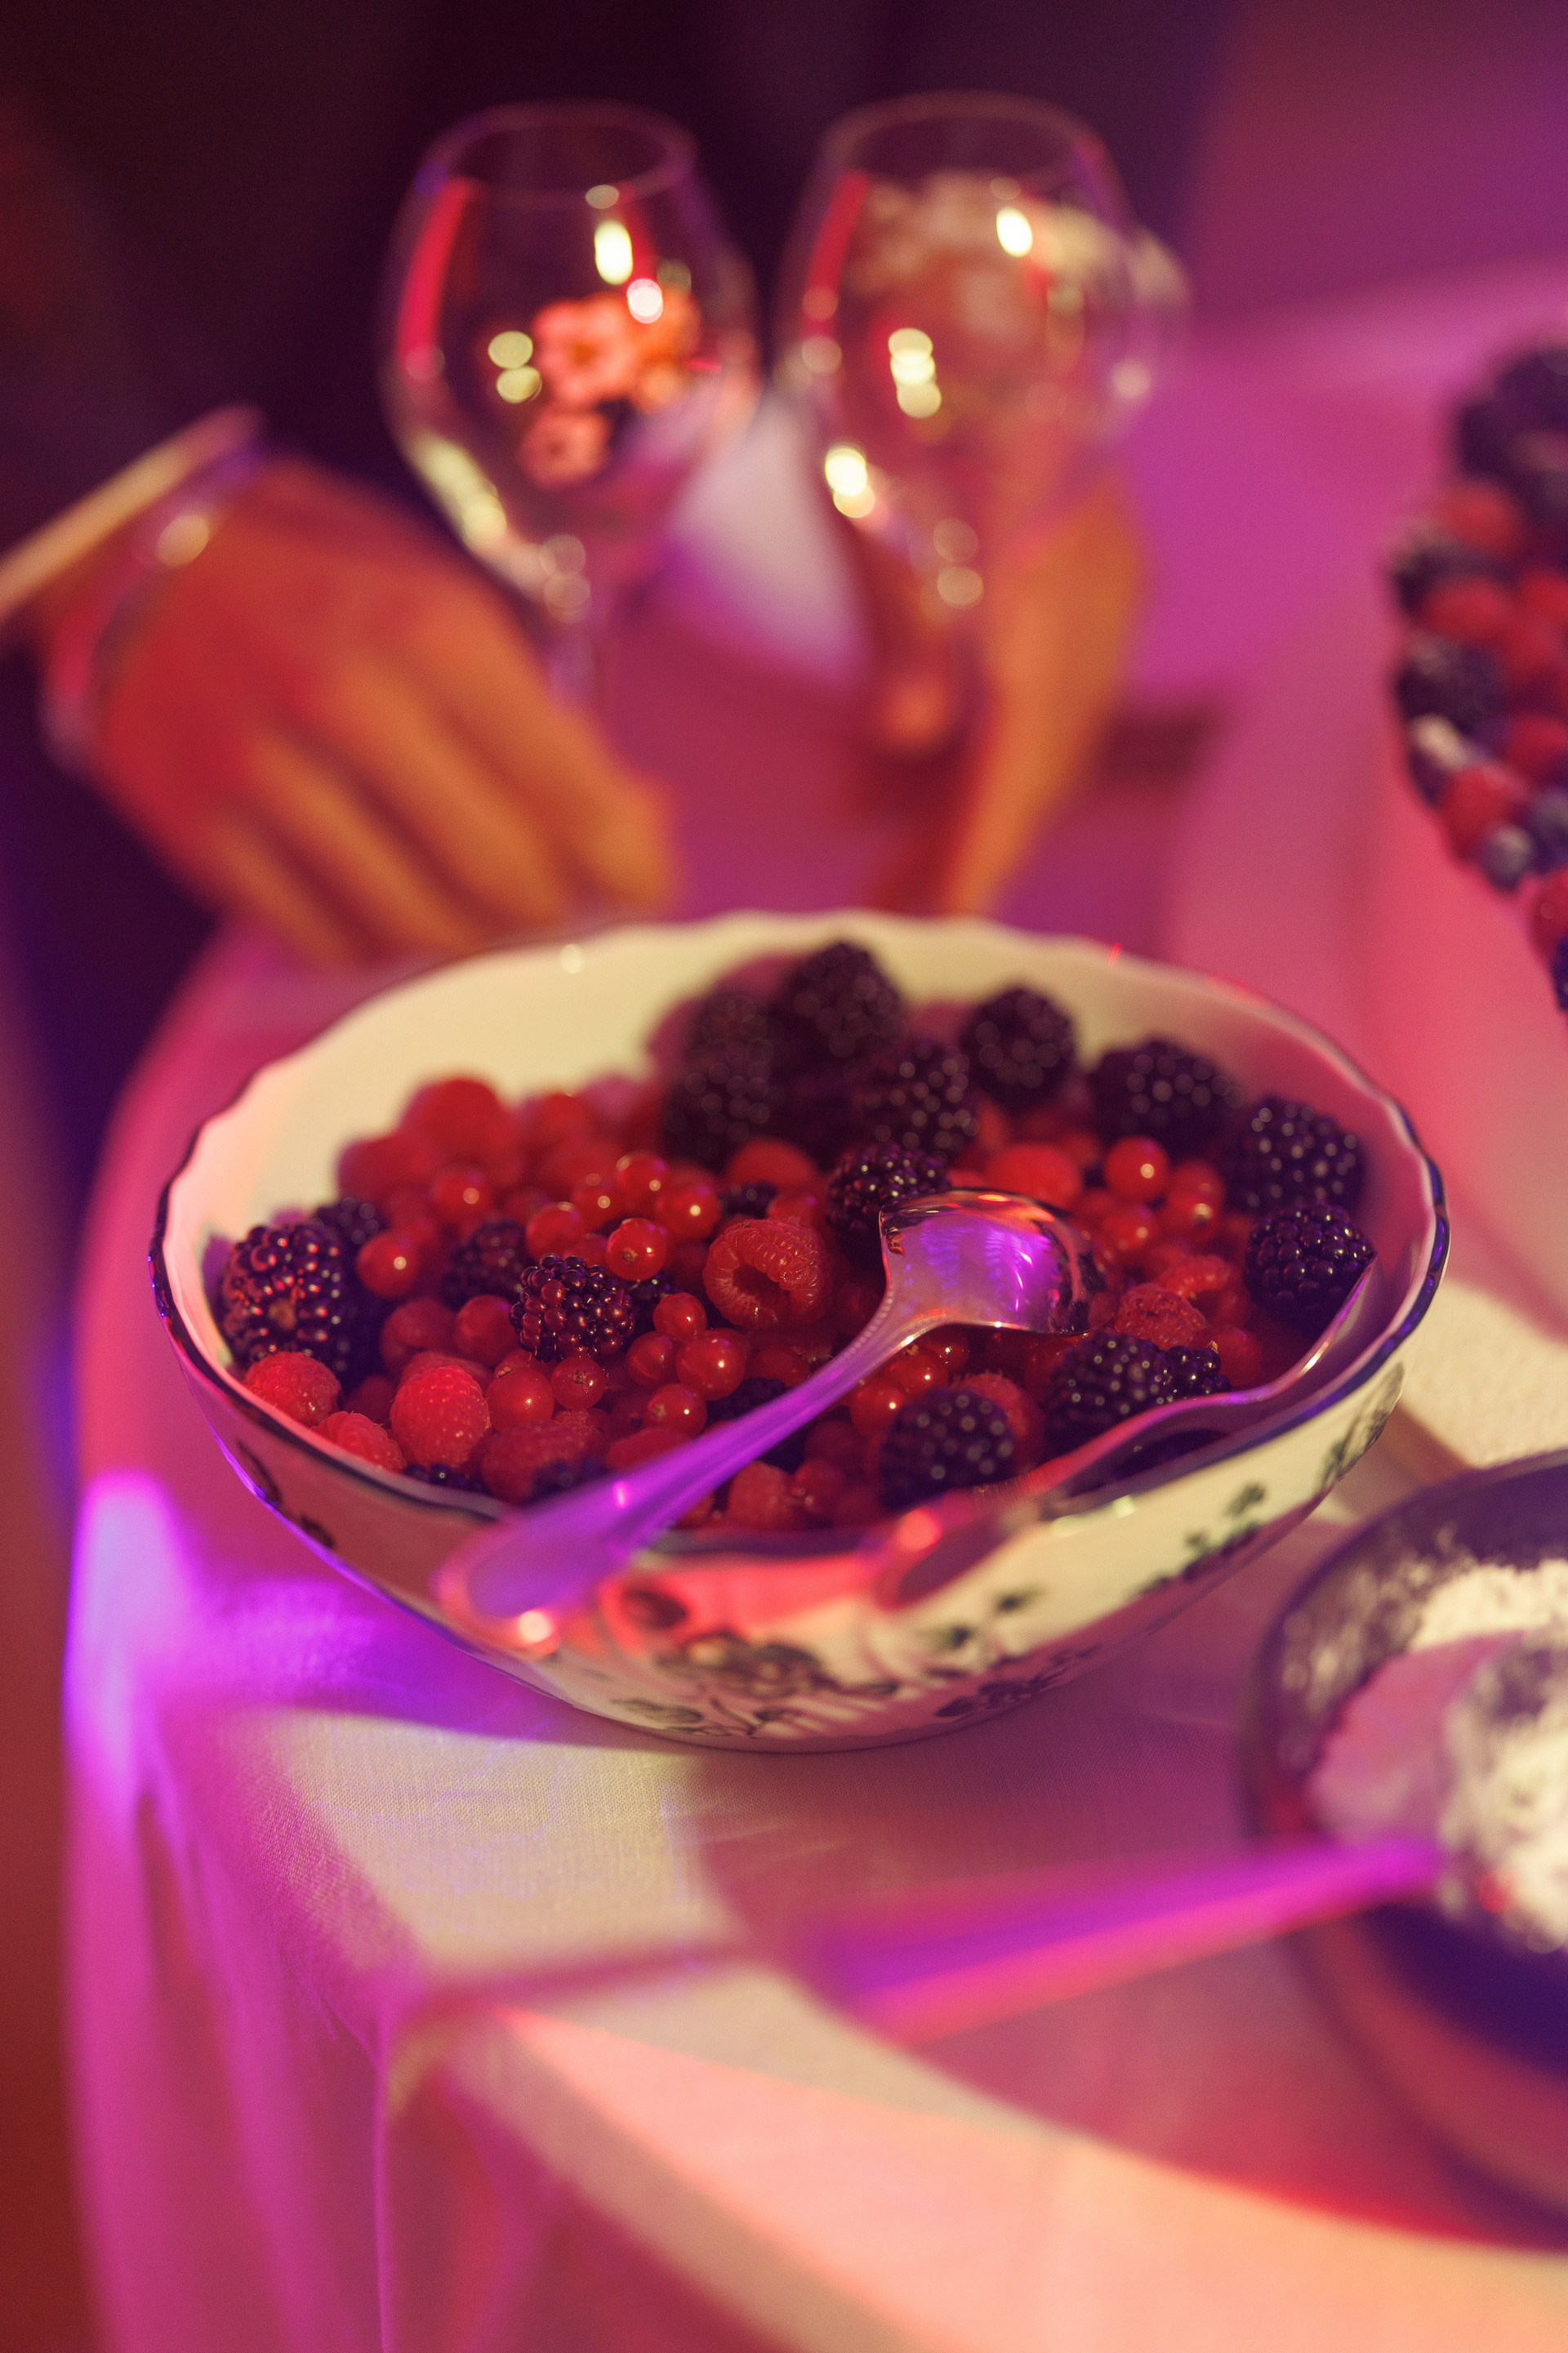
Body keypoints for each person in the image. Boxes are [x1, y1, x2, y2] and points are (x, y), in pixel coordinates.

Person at [0, 3, 1230, 1180]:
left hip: (743, 231)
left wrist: (997, 253)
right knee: (214, 1096)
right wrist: (90, 503)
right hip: (153, 276)